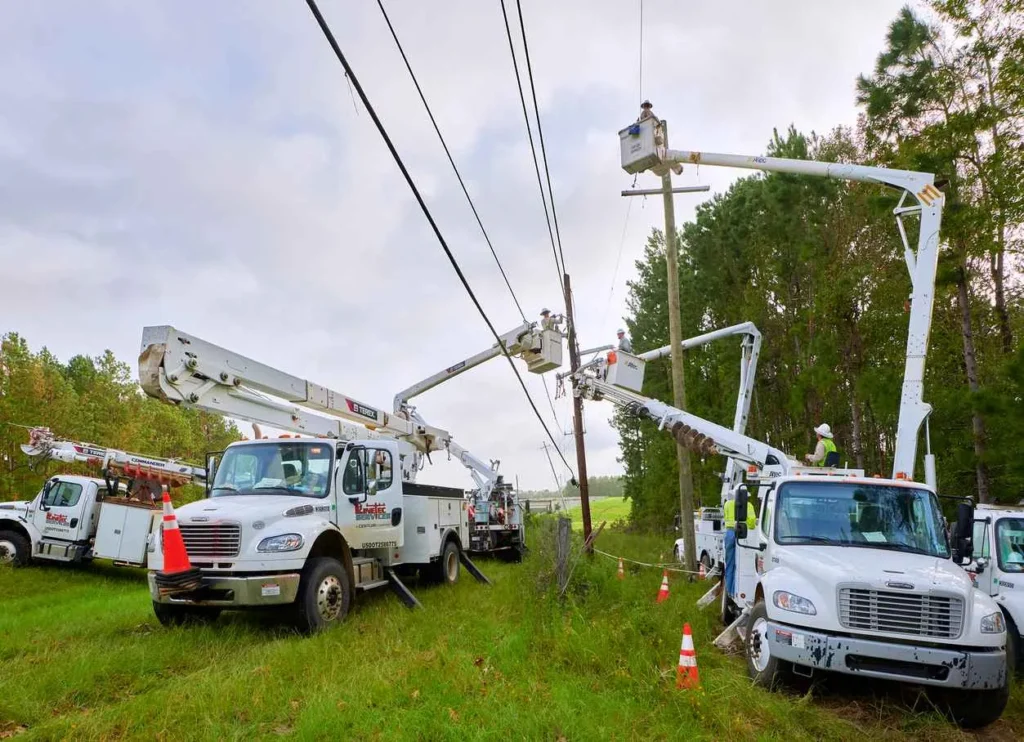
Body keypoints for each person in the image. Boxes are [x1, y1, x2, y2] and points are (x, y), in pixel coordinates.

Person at [722, 487, 757, 597]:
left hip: (729, 533)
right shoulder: (749, 505)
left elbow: (726, 518)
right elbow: (751, 523)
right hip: (742, 533)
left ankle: (729, 590)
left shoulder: (727, 504)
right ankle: (736, 590)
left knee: (730, 563)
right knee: (741, 565)